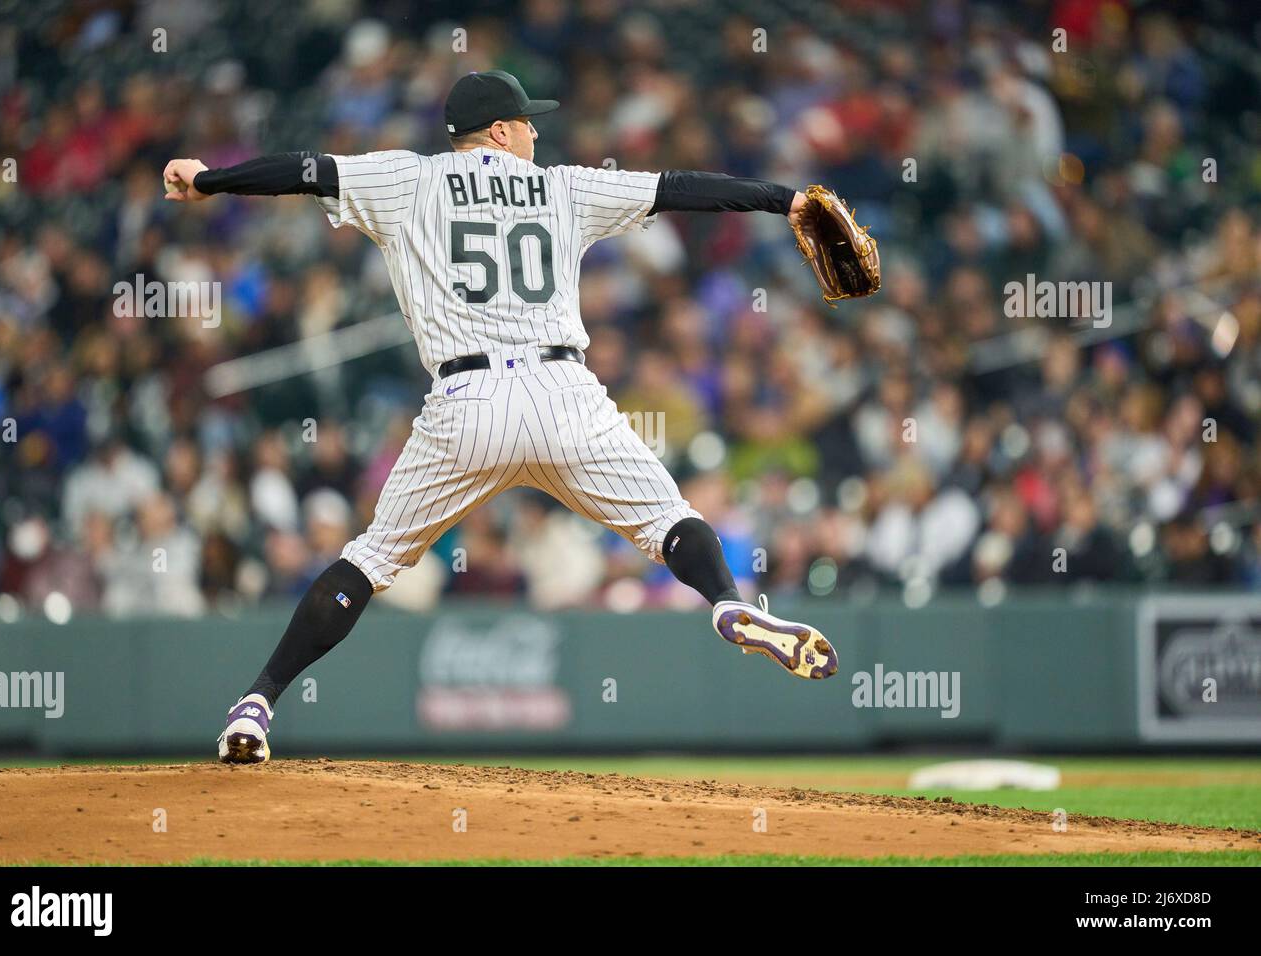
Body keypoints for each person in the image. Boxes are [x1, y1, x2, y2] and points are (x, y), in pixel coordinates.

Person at [163, 70, 839, 764]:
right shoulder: (563, 185)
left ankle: (258, 701)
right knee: (671, 521)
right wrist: (782, 199)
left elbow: (300, 173)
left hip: (466, 401)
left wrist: (211, 180)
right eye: (527, 121)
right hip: (563, 394)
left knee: (369, 560)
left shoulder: (408, 179)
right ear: (500, 130)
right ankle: (726, 601)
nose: (536, 132)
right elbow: (680, 188)